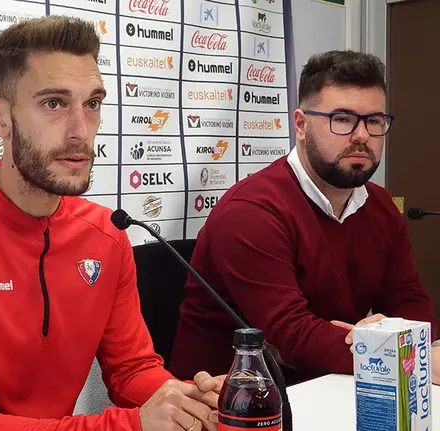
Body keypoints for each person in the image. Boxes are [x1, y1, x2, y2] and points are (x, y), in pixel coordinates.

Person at [0, 15, 224, 431]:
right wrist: (130, 425)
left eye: (92, 103)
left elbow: (131, 370)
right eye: (54, 104)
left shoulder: (106, 234)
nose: (80, 131)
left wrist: (185, 401)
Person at [169, 50, 440, 385]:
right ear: (301, 124)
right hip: (228, 403)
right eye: (342, 119)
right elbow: (293, 337)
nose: (361, 135)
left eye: (374, 121)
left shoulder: (381, 207)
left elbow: (412, 306)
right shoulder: (251, 210)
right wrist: (391, 351)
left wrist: (383, 342)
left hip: (331, 383)